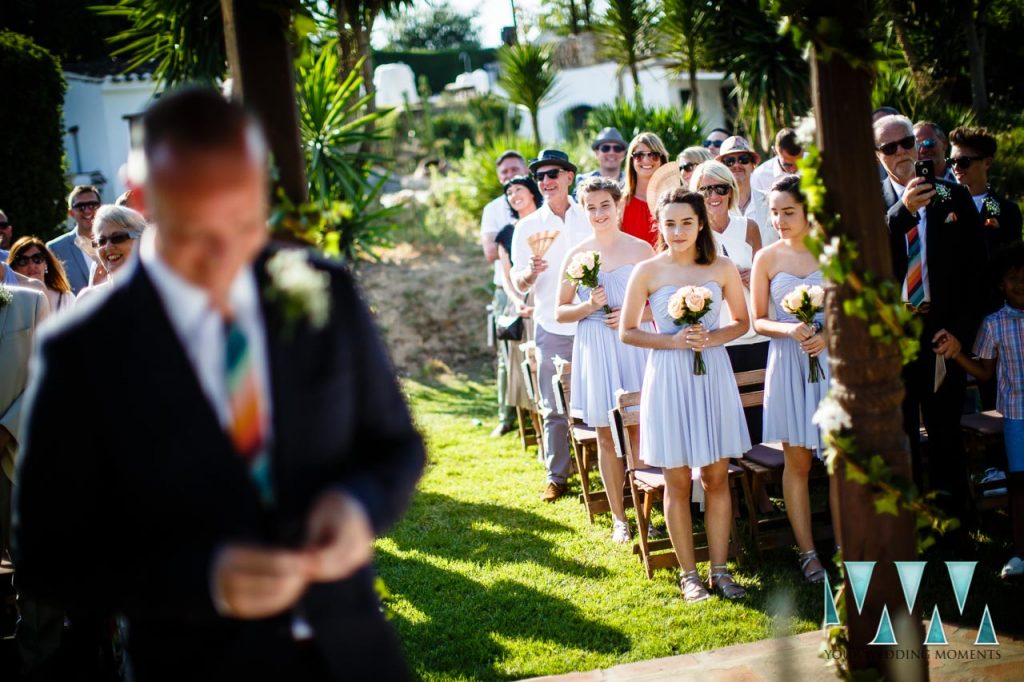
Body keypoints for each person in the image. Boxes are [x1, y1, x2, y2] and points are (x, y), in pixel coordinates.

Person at [14, 86, 425, 681]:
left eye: (242, 208)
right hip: (193, 663)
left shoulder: (320, 289)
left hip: (353, 651)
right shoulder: (82, 349)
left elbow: (396, 446)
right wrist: (204, 578)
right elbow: (49, 556)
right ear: (146, 194)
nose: (226, 239)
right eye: (199, 211)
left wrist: (355, 506)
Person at [620, 188, 750, 602]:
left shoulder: (723, 266)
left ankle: (720, 570)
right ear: (659, 224)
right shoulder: (647, 271)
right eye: (670, 223)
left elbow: (742, 323)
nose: (678, 231)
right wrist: (675, 343)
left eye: (686, 223)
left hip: (712, 373)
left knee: (715, 478)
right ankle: (688, 575)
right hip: (669, 376)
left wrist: (711, 337)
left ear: (701, 223)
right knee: (676, 482)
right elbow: (627, 330)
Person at [876, 113, 987, 517]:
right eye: (890, 148)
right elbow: (867, 270)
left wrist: (960, 333)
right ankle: (910, 528)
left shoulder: (951, 196)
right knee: (900, 436)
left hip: (943, 336)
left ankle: (954, 526)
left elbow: (978, 273)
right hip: (894, 339)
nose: (903, 152)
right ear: (878, 155)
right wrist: (902, 212)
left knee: (945, 434)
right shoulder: (872, 204)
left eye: (908, 142)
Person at [554, 177, 654, 542]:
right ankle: (619, 519)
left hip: (631, 344)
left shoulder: (642, 250)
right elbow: (559, 311)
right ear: (584, 209)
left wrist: (637, 316)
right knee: (605, 436)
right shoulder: (577, 254)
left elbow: (658, 305)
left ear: (617, 206)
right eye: (591, 207)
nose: (598, 213)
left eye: (605, 206)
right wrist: (587, 306)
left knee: (639, 428)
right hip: (595, 344)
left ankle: (648, 511)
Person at [751, 174, 840, 583]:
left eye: (788, 212)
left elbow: (853, 308)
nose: (779, 220)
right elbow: (758, 319)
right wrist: (790, 329)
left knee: (840, 460)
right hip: (788, 362)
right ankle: (808, 554)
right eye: (774, 213)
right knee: (797, 461)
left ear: (808, 211)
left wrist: (827, 335)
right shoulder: (766, 258)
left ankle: (845, 546)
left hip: (832, 361)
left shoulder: (834, 252)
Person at [510, 149, 591, 502]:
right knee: (553, 406)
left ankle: (612, 471)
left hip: (593, 320)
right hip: (551, 324)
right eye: (540, 176)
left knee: (601, 400)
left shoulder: (591, 214)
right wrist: (529, 272)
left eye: (553, 174)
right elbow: (518, 282)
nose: (546, 182)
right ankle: (557, 476)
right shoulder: (527, 227)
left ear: (569, 176)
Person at [941, 242, 1024, 579]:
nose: (1020, 284)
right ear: (1001, 284)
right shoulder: (993, 324)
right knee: (1019, 485)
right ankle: (1021, 552)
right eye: (1012, 278)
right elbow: (985, 372)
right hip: (1016, 416)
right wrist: (958, 354)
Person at [483, 151, 529, 438]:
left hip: (537, 290)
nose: (510, 175)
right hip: (506, 290)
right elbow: (490, 252)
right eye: (504, 173)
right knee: (507, 355)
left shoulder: (537, 200)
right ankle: (506, 415)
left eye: (515, 169)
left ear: (525, 170)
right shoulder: (493, 209)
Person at [495, 175, 542, 417]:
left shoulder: (548, 222)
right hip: (521, 303)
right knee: (526, 365)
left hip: (546, 298)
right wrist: (515, 302)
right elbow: (506, 274)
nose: (514, 195)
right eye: (509, 192)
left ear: (532, 191)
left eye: (519, 189)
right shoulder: (505, 234)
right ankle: (536, 424)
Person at [948, 126, 1023, 262]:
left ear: (987, 163)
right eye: (952, 162)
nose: (956, 167)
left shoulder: (1007, 211)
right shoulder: (943, 205)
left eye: (964, 162)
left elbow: (1012, 263)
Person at [716, 136, 771, 247]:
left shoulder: (770, 201)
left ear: (753, 165)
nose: (737, 165)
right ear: (722, 168)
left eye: (744, 159)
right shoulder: (715, 205)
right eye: (729, 161)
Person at [47, 185, 101, 294]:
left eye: (92, 205)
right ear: (71, 213)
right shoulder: (55, 248)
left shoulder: (116, 240)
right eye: (80, 206)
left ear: (100, 207)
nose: (87, 211)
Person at [621, 132, 669, 248]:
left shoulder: (673, 200)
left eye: (654, 155)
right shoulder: (619, 202)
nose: (646, 160)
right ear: (631, 160)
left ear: (662, 159)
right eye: (639, 155)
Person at [7, 237, 76, 314]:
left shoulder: (65, 298)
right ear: (14, 268)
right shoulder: (8, 301)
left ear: (46, 263)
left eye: (37, 258)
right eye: (23, 261)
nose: (31, 265)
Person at [750, 127, 803, 197]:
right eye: (788, 165)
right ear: (775, 151)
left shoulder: (815, 164)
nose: (794, 169)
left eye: (799, 163)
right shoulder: (759, 177)